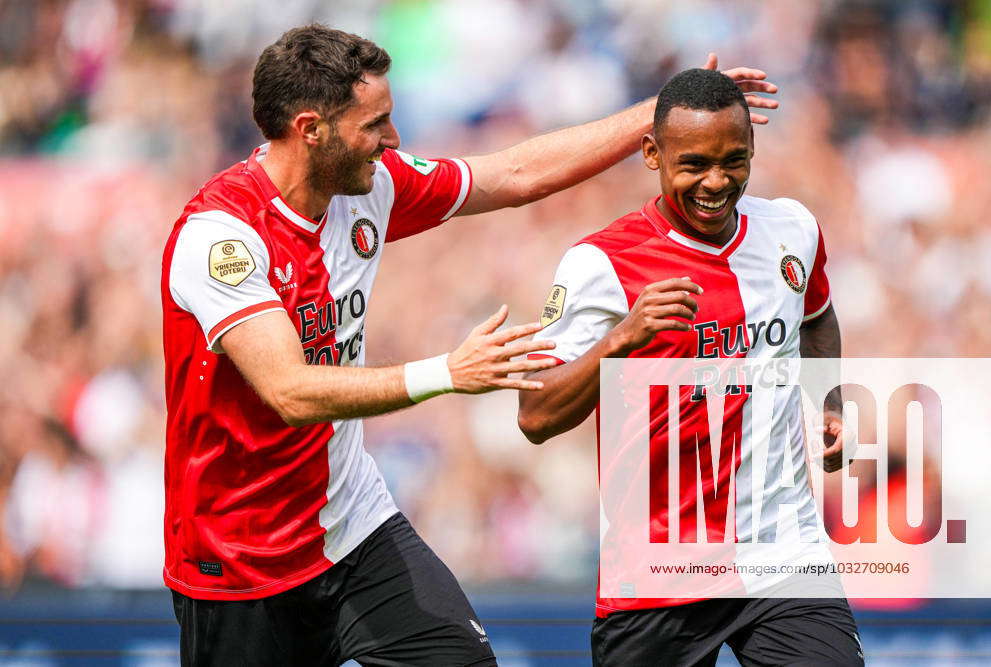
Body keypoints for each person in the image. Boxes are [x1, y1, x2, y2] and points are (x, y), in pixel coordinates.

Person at [161, 24, 776, 666]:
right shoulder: (221, 240)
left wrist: (662, 115)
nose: (393, 140)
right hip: (237, 561)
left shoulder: (370, 188)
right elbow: (289, 391)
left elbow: (515, 174)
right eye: (374, 125)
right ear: (311, 129)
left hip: (352, 527)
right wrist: (448, 372)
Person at [518, 68, 863, 666]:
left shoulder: (791, 231)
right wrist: (622, 339)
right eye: (695, 163)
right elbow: (535, 414)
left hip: (782, 552)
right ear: (652, 153)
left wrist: (825, 401)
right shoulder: (599, 264)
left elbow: (817, 317)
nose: (716, 181)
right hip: (657, 569)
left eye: (734, 161)